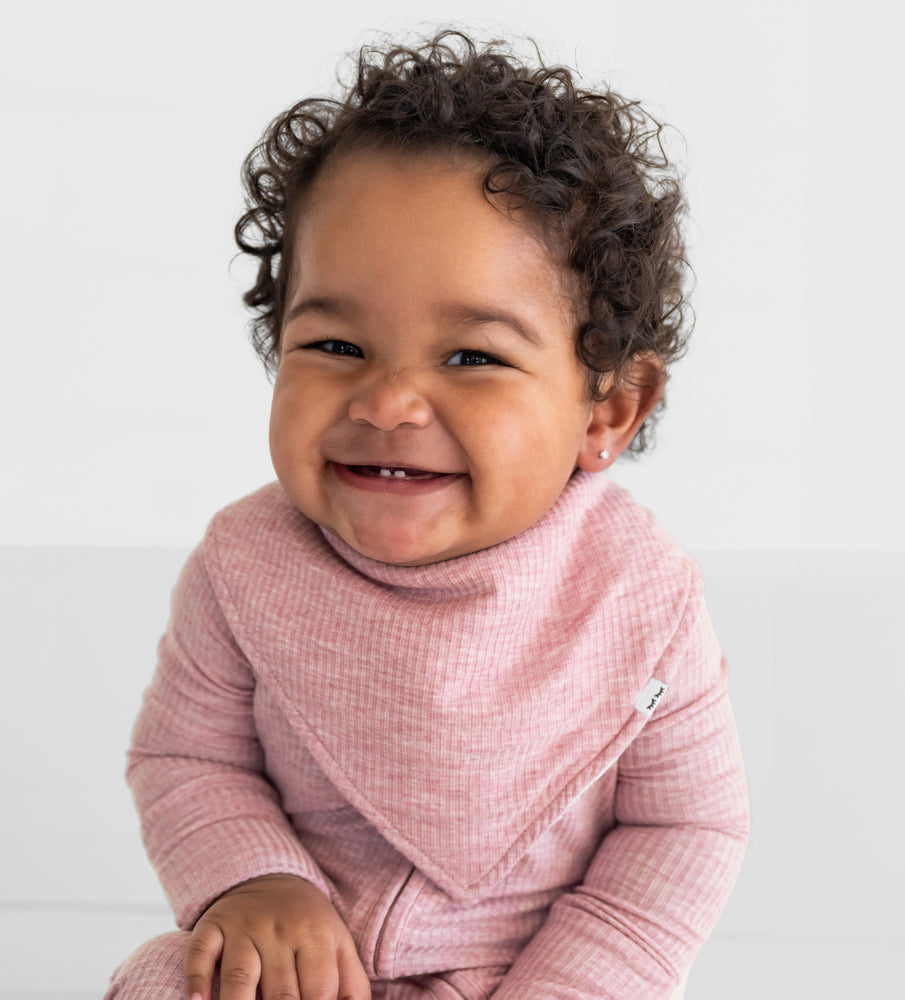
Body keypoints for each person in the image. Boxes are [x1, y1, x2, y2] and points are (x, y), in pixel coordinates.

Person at [105, 31, 749, 1000]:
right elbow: (186, 756)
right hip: (307, 970)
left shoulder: (638, 596)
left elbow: (683, 827)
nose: (388, 402)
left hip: (525, 968)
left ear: (606, 409)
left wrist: (578, 982)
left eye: (471, 357)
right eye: (334, 342)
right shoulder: (247, 564)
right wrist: (256, 880)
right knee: (161, 980)